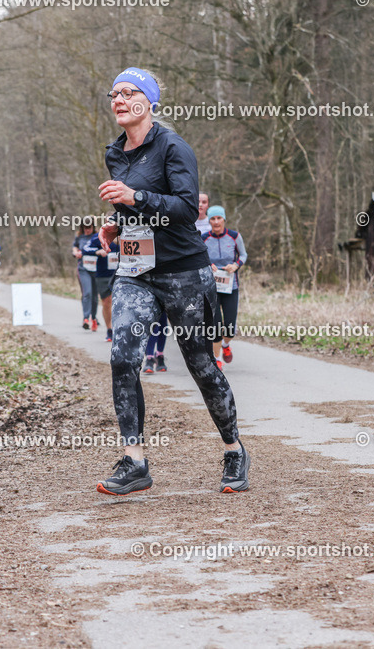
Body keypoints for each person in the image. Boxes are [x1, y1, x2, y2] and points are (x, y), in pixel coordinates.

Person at [95, 66, 248, 496]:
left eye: (129, 92)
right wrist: (115, 224)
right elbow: (130, 211)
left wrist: (135, 197)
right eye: (114, 94)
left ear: (149, 102)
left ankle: (234, 448)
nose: (119, 100)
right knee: (123, 357)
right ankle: (134, 461)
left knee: (200, 366)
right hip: (135, 268)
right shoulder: (115, 153)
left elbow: (185, 209)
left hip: (183, 271)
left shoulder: (174, 147)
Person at [202, 205, 247, 369]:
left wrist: (236, 265)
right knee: (215, 325)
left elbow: (243, 254)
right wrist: (209, 265)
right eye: (212, 219)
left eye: (218, 218)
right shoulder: (204, 238)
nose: (216, 222)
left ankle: (226, 345)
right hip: (212, 287)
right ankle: (217, 358)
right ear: (209, 221)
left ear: (224, 219)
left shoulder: (234, 236)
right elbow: (199, 258)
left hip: (231, 286)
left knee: (229, 327)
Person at [82, 235, 120, 341]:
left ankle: (120, 329)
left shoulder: (124, 232)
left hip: (120, 273)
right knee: (106, 302)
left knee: (119, 302)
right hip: (103, 275)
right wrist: (97, 252)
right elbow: (85, 249)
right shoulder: (99, 237)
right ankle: (109, 330)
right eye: (108, 219)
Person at [72, 221, 99, 331]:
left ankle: (94, 318)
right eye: (85, 227)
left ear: (93, 227)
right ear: (82, 228)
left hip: (96, 269)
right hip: (83, 269)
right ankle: (86, 318)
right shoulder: (80, 237)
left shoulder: (97, 236)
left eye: (89, 227)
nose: (87, 230)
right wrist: (75, 253)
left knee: (95, 296)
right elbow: (74, 247)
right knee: (87, 293)